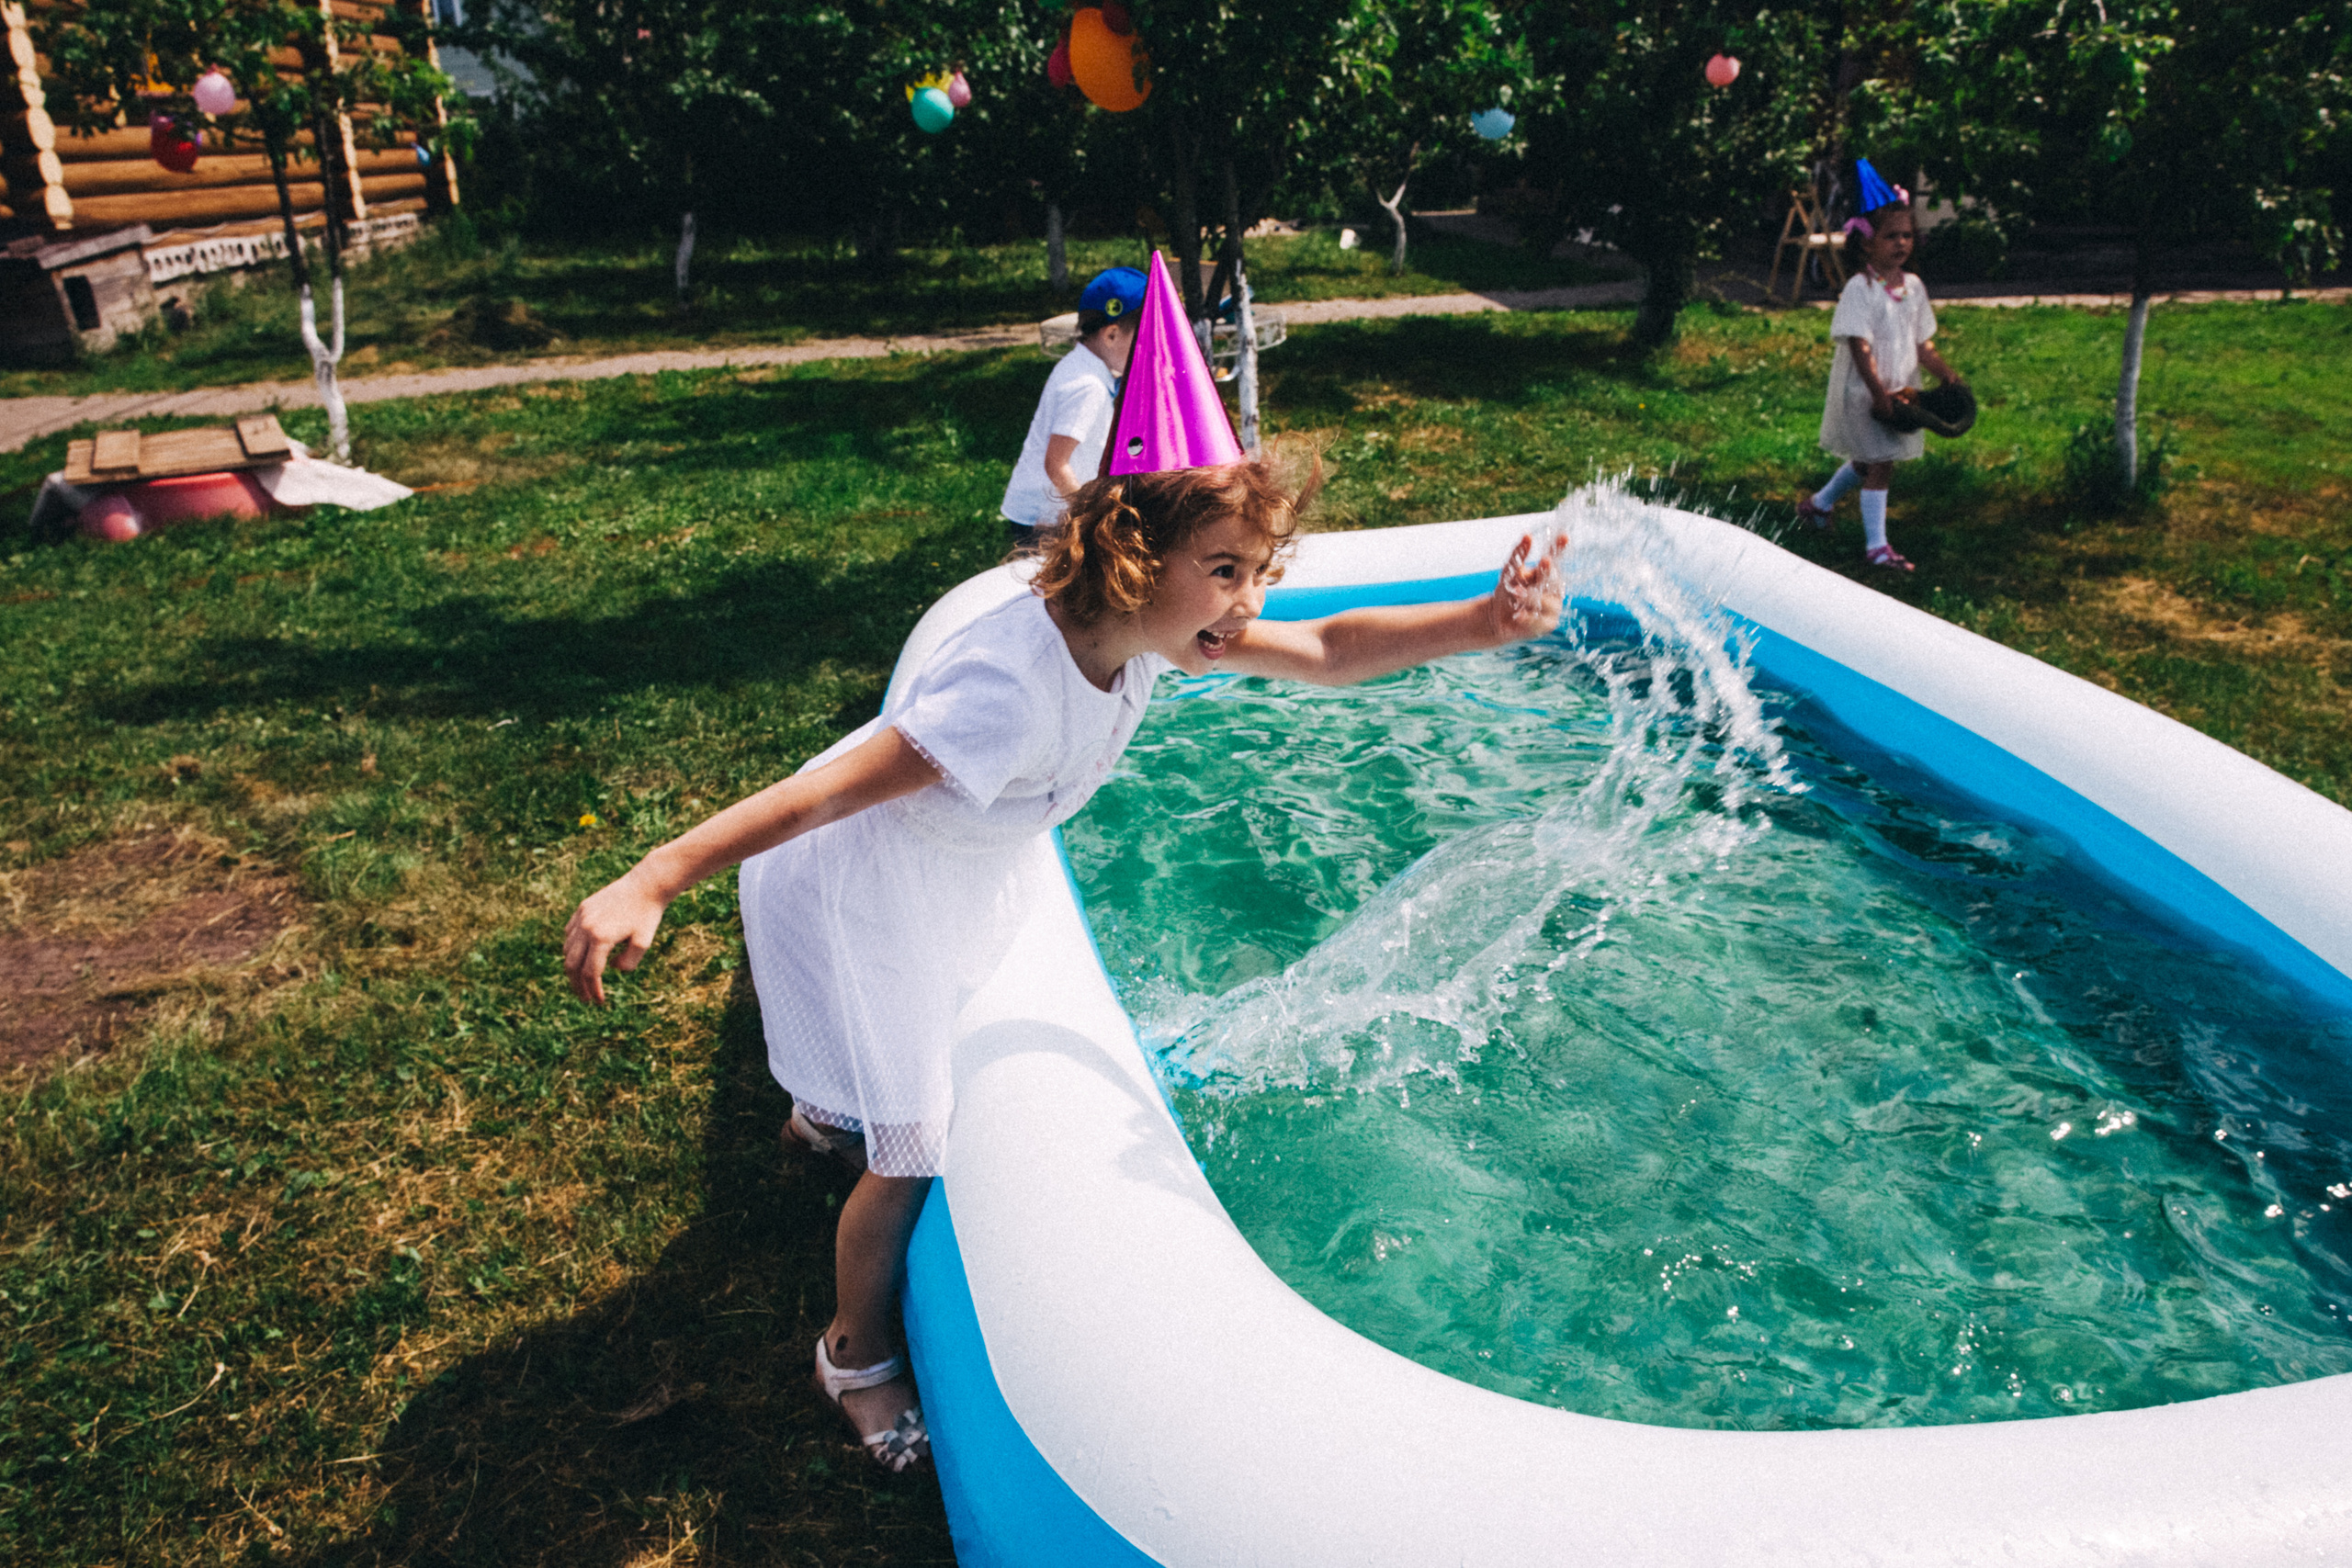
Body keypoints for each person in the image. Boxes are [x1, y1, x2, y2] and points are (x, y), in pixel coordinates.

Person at [560, 254, 1568, 1478]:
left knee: (886, 1049)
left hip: (932, 862)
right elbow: (826, 793)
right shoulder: (1007, 690)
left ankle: (818, 1116)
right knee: (910, 1149)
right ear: (1135, 558)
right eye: (1229, 571)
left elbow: (1328, 648)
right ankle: (852, 1353)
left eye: (1259, 573)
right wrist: (656, 874)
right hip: (858, 880)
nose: (1251, 604)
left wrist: (1482, 621)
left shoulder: (1143, 632)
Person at [1796, 161, 1964, 572]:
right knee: (1882, 463)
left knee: (1868, 460)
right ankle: (1877, 547)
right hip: (1867, 392)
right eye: (1890, 236)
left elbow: (1922, 344)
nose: (1901, 243)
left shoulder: (1913, 288)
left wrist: (1946, 374)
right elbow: (1860, 346)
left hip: (1900, 390)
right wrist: (1877, 394)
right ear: (1866, 243)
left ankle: (1817, 505)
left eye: (1906, 235)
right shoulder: (1861, 289)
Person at [998, 266, 1147, 543]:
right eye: (1141, 340)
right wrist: (1090, 518)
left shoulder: (1079, 366)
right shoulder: (1088, 385)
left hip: (1046, 512)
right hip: (1044, 520)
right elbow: (1056, 463)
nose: (1144, 351)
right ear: (1111, 335)